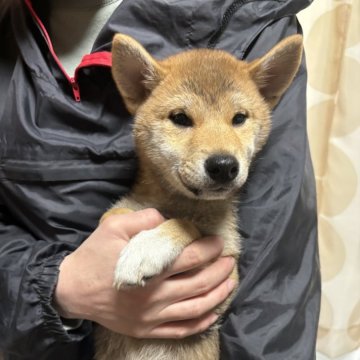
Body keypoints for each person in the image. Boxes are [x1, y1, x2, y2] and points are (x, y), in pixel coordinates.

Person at [0, 0, 320, 359]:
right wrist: (60, 286)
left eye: (239, 118)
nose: (220, 151)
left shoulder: (256, 26)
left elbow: (273, 281)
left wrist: (178, 233)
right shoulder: (9, 26)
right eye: (182, 119)